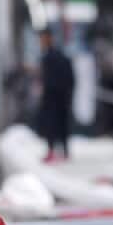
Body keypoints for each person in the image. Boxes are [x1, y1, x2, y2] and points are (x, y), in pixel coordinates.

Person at [37, 28, 75, 161]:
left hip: (53, 97)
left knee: (53, 124)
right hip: (61, 97)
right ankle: (63, 150)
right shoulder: (60, 55)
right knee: (61, 123)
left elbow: (49, 80)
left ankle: (53, 150)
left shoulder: (50, 57)